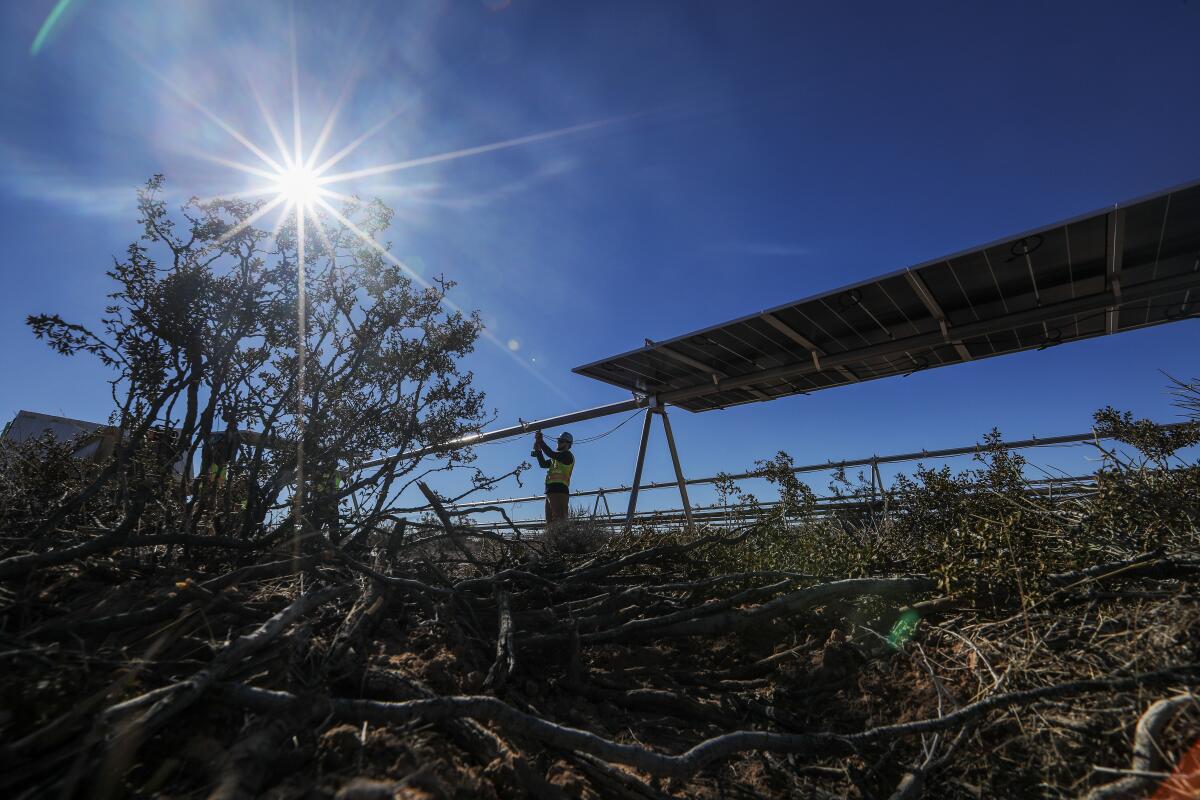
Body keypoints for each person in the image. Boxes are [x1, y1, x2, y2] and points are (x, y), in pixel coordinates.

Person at [533, 430, 574, 530]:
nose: (558, 443)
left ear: (568, 444)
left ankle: (563, 543)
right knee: (550, 522)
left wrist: (541, 442)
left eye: (561, 441)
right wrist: (538, 452)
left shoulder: (567, 455)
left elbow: (551, 453)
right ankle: (553, 543)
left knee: (560, 521)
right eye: (558, 441)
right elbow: (543, 464)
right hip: (550, 492)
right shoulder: (556, 458)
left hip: (559, 492)